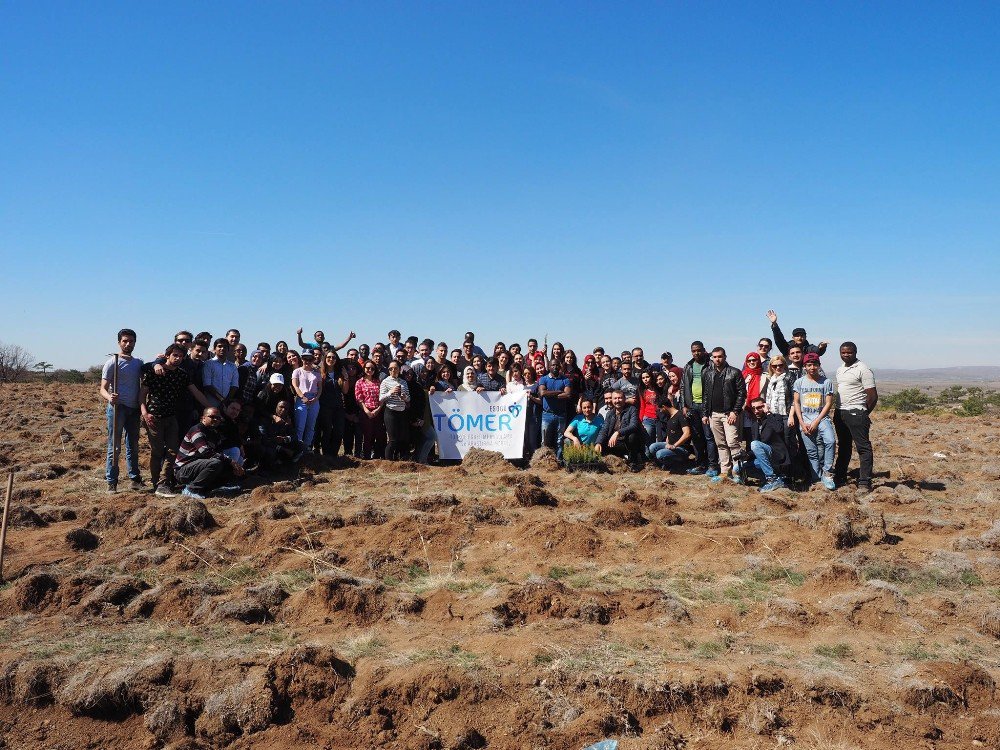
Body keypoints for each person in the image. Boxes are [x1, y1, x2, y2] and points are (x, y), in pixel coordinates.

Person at [139, 343, 211, 496]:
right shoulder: (155, 371)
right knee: (157, 452)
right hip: (154, 417)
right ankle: (156, 483)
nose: (178, 358)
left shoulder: (182, 375)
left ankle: (163, 482)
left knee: (173, 451)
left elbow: (196, 392)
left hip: (171, 417)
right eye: (175, 355)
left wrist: (211, 408)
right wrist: (145, 413)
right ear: (167, 356)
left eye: (181, 356)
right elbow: (142, 393)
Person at [101, 328, 144, 492]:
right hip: (117, 409)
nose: (128, 344)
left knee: (133, 445)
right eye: (125, 341)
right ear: (119, 342)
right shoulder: (112, 362)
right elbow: (103, 388)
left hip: (134, 409)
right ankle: (112, 481)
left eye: (131, 341)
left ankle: (135, 478)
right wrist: (109, 397)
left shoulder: (138, 363)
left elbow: (144, 378)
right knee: (115, 446)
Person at [833, 342, 878, 494]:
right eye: (843, 352)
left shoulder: (863, 370)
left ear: (855, 352)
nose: (846, 355)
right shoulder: (840, 369)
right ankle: (839, 477)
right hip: (840, 412)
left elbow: (872, 395)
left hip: (856, 412)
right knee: (844, 446)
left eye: (849, 352)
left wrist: (863, 413)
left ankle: (864, 482)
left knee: (863, 447)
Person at [173, 407, 245, 499]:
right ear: (203, 418)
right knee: (216, 463)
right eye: (212, 417)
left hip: (200, 467)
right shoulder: (197, 430)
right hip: (183, 470)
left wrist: (235, 466)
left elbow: (219, 452)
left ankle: (210, 489)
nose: (215, 420)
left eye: (218, 418)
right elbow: (206, 452)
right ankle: (191, 490)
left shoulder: (214, 433)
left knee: (228, 465)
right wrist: (231, 461)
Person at [701, 347, 747, 484]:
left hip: (729, 414)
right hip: (713, 414)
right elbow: (706, 395)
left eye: (720, 356)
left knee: (733, 442)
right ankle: (724, 472)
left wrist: (735, 411)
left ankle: (738, 472)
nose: (717, 359)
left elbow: (741, 394)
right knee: (720, 444)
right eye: (714, 357)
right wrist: (705, 413)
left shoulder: (734, 372)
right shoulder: (708, 373)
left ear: (725, 356)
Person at [793, 353, 836, 490]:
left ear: (819, 365)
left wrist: (817, 421)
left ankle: (828, 473)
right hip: (805, 420)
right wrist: (801, 422)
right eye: (809, 365)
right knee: (811, 452)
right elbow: (796, 402)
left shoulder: (826, 382)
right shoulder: (799, 382)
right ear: (805, 366)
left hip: (821, 418)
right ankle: (816, 478)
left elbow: (828, 403)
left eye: (815, 364)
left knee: (830, 441)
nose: (812, 367)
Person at [681, 341, 720, 476]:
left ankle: (713, 465)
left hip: (706, 406)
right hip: (692, 406)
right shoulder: (688, 366)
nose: (696, 353)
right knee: (697, 437)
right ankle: (700, 464)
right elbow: (683, 387)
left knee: (709, 436)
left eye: (698, 350)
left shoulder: (710, 365)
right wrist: (684, 405)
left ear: (704, 350)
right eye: (693, 351)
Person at [737, 397, 792, 492]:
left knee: (754, 444)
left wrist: (768, 413)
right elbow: (757, 448)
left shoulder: (775, 417)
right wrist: (747, 455)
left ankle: (772, 479)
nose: (756, 411)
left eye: (759, 407)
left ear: (765, 406)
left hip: (777, 456)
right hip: (764, 459)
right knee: (737, 468)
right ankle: (776, 478)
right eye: (753, 408)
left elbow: (779, 429)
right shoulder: (754, 424)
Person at [594, 390, 644, 469]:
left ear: (624, 399)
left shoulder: (632, 409)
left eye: (620, 398)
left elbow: (634, 426)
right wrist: (598, 443)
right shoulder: (609, 413)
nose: (617, 401)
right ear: (612, 400)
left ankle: (633, 462)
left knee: (632, 436)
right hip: (614, 443)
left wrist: (618, 432)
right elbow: (604, 430)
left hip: (626, 442)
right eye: (615, 398)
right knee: (600, 444)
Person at [645, 397, 691, 471]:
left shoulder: (680, 415)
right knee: (652, 447)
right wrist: (667, 441)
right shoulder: (670, 416)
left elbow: (687, 433)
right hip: (670, 445)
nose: (660, 411)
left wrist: (674, 446)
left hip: (681, 448)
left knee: (660, 454)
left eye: (660, 409)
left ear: (664, 407)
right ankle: (667, 462)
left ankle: (678, 462)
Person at [316, 350, 348, 456]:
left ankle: (334, 454)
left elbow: (345, 391)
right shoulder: (319, 373)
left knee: (339, 431)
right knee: (327, 431)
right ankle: (326, 455)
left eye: (333, 357)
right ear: (325, 359)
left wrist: (346, 377)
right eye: (329, 357)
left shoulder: (340, 373)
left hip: (338, 407)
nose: (331, 359)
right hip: (324, 406)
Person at [538, 360, 572, 457]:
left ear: (560, 367)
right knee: (545, 441)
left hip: (561, 415)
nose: (555, 367)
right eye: (553, 365)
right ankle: (544, 461)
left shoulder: (565, 380)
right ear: (549, 367)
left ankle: (558, 460)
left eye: (557, 365)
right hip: (546, 414)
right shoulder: (543, 379)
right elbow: (542, 393)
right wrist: (559, 391)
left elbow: (568, 394)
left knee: (559, 440)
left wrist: (550, 394)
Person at [380, 360, 411, 460]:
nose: (393, 370)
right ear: (388, 370)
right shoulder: (385, 381)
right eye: (391, 368)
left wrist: (404, 397)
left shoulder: (403, 382)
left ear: (399, 369)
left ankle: (399, 461)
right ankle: (388, 462)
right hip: (390, 412)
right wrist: (391, 392)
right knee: (392, 440)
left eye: (395, 368)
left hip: (402, 412)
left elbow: (409, 399)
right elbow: (380, 399)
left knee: (402, 439)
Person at [291, 350, 322, 449]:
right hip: (301, 399)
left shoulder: (317, 373)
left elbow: (320, 388)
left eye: (310, 359)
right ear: (301, 359)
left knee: (311, 426)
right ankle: (298, 448)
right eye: (305, 358)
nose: (307, 361)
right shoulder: (297, 371)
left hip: (314, 399)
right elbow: (295, 386)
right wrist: (302, 397)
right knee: (300, 426)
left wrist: (316, 398)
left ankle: (307, 447)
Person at [355, 360, 386, 459]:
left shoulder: (378, 382)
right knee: (367, 436)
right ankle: (367, 457)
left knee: (379, 435)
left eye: (372, 368)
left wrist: (378, 409)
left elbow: (382, 397)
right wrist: (366, 411)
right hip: (366, 412)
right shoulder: (360, 382)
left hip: (378, 411)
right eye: (368, 368)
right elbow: (359, 399)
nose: (370, 370)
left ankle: (377, 456)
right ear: (364, 369)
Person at [202, 338, 240, 407]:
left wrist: (227, 401)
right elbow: (207, 385)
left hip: (227, 405)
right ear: (214, 349)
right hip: (211, 403)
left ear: (228, 349)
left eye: (225, 347)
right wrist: (221, 399)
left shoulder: (233, 366)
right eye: (219, 346)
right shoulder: (208, 364)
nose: (222, 348)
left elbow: (234, 385)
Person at [636, 369, 660, 441]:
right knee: (648, 441)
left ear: (651, 377)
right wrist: (640, 421)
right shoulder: (642, 391)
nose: (645, 379)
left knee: (659, 441)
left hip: (659, 419)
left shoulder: (658, 388)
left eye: (647, 377)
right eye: (643, 378)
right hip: (648, 419)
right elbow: (642, 406)